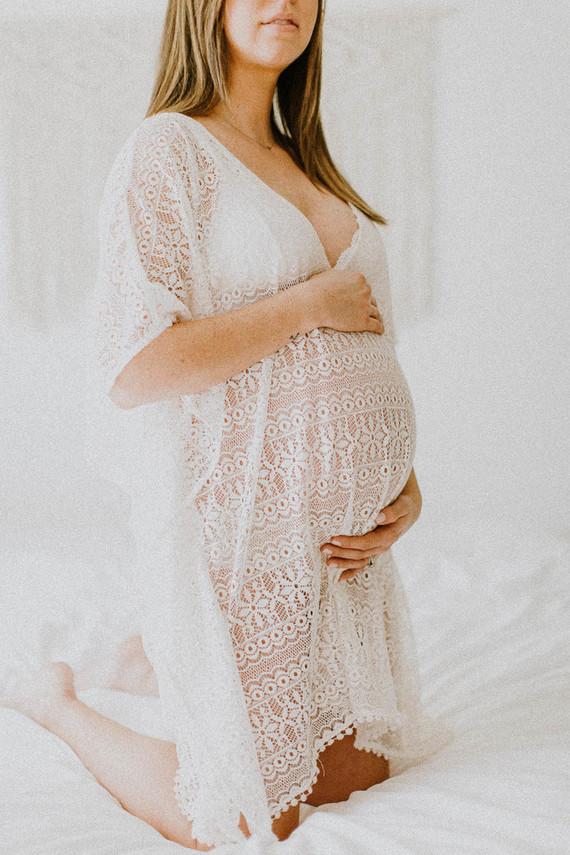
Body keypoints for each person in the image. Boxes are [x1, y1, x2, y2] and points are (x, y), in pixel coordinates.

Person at [2, 0, 453, 850]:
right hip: (249, 526)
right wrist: (306, 302)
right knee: (249, 816)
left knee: (366, 769)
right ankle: (57, 702)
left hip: (345, 559)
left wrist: (407, 485)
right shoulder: (169, 150)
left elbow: (368, 349)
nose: (284, 1)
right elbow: (135, 367)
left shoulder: (309, 165)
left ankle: (146, 659)